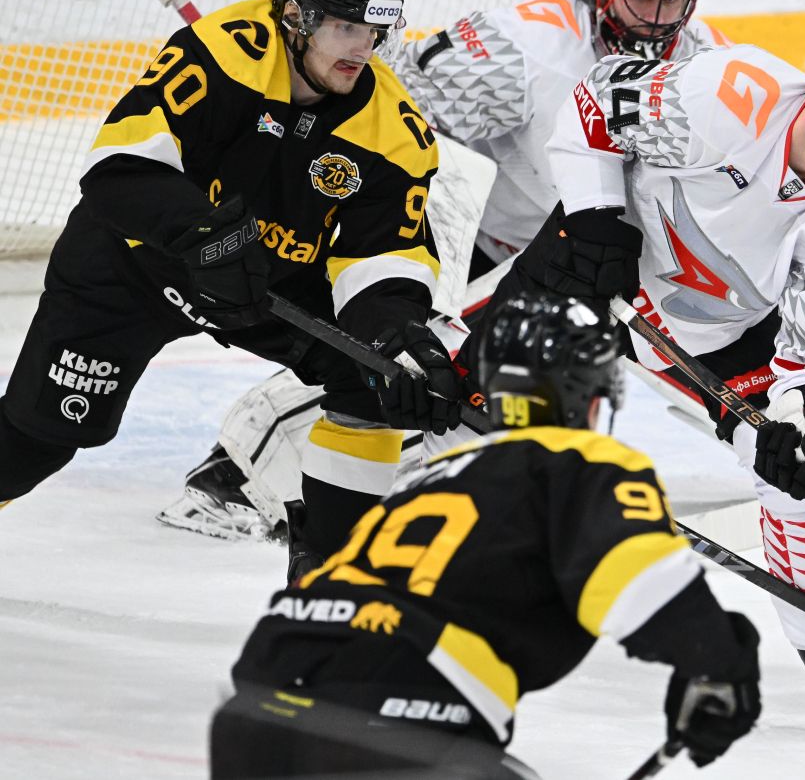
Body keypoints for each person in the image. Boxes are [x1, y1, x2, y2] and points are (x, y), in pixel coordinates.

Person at [157, 0, 728, 542]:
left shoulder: (703, 61)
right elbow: (391, 111)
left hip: (588, 256)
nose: (654, 18)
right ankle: (237, 473)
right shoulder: (522, 47)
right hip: (478, 238)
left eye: (670, 0)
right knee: (424, 362)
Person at [457, 17, 805, 738]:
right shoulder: (730, 96)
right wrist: (595, 218)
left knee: (802, 473)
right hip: (597, 266)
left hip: (719, 328)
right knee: (459, 408)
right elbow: (595, 103)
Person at [0, 0, 461, 566]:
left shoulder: (395, 131)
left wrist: (392, 331)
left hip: (261, 284)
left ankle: (332, 586)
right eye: (345, 28)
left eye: (374, 30)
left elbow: (383, 256)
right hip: (132, 264)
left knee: (370, 378)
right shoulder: (222, 53)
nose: (364, 48)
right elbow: (118, 168)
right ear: (296, 16)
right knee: (38, 441)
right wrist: (204, 234)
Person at [210, 293, 761, 779]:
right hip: (396, 714)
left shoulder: (427, 484)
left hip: (260, 700)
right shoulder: (579, 463)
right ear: (594, 396)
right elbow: (640, 578)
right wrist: (721, 664)